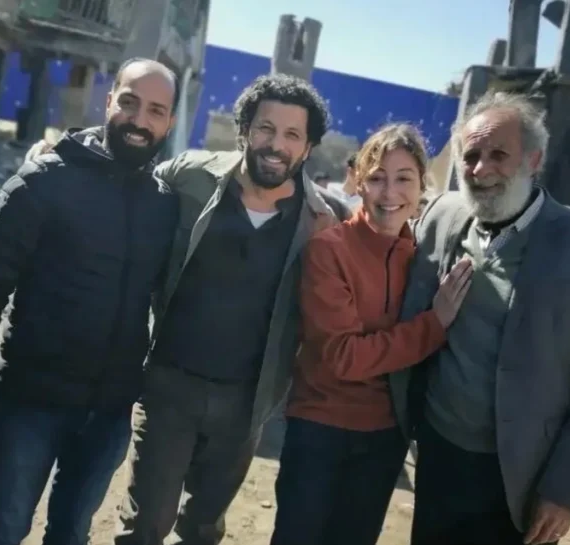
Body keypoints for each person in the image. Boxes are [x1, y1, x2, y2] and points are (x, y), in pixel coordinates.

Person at [25, 73, 349, 545]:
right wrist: (61, 159)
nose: (276, 145)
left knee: (201, 530)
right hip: (169, 388)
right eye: (265, 128)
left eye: (292, 134)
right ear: (244, 131)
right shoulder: (190, 176)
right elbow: (124, 175)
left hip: (247, 402)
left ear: (308, 147)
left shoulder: (320, 222)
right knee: (144, 526)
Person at [0, 58, 180, 545]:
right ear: (109, 101)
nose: (139, 120)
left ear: (170, 122)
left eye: (156, 111)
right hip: (31, 405)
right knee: (5, 528)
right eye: (130, 102)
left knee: (72, 533)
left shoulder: (164, 204)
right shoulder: (43, 182)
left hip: (109, 415)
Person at [389, 91, 570, 545]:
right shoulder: (442, 214)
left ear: (533, 160)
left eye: (499, 154)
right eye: (471, 155)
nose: (481, 169)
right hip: (439, 454)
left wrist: (566, 489)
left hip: (523, 476)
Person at [269, 124, 473, 545]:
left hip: (385, 438)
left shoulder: (424, 259)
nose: (390, 192)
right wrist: (433, 325)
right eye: (377, 177)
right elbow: (344, 356)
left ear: (422, 186)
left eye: (404, 179)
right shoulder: (329, 250)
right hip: (321, 428)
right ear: (358, 181)